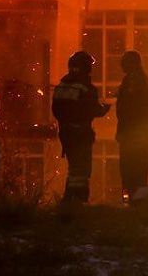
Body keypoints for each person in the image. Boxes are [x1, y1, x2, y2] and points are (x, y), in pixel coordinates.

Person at [52, 50, 109, 204]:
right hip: (81, 133)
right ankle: (78, 200)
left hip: (66, 133)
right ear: (85, 68)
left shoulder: (61, 85)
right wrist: (104, 108)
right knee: (82, 169)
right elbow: (94, 110)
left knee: (74, 167)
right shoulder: (86, 87)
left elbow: (56, 110)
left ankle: (69, 199)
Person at [116, 50, 148, 200]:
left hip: (134, 132)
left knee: (130, 168)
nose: (121, 66)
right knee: (138, 168)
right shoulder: (138, 79)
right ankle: (135, 200)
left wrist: (123, 131)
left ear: (132, 63)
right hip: (139, 130)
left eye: (124, 63)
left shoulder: (134, 80)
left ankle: (131, 200)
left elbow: (129, 108)